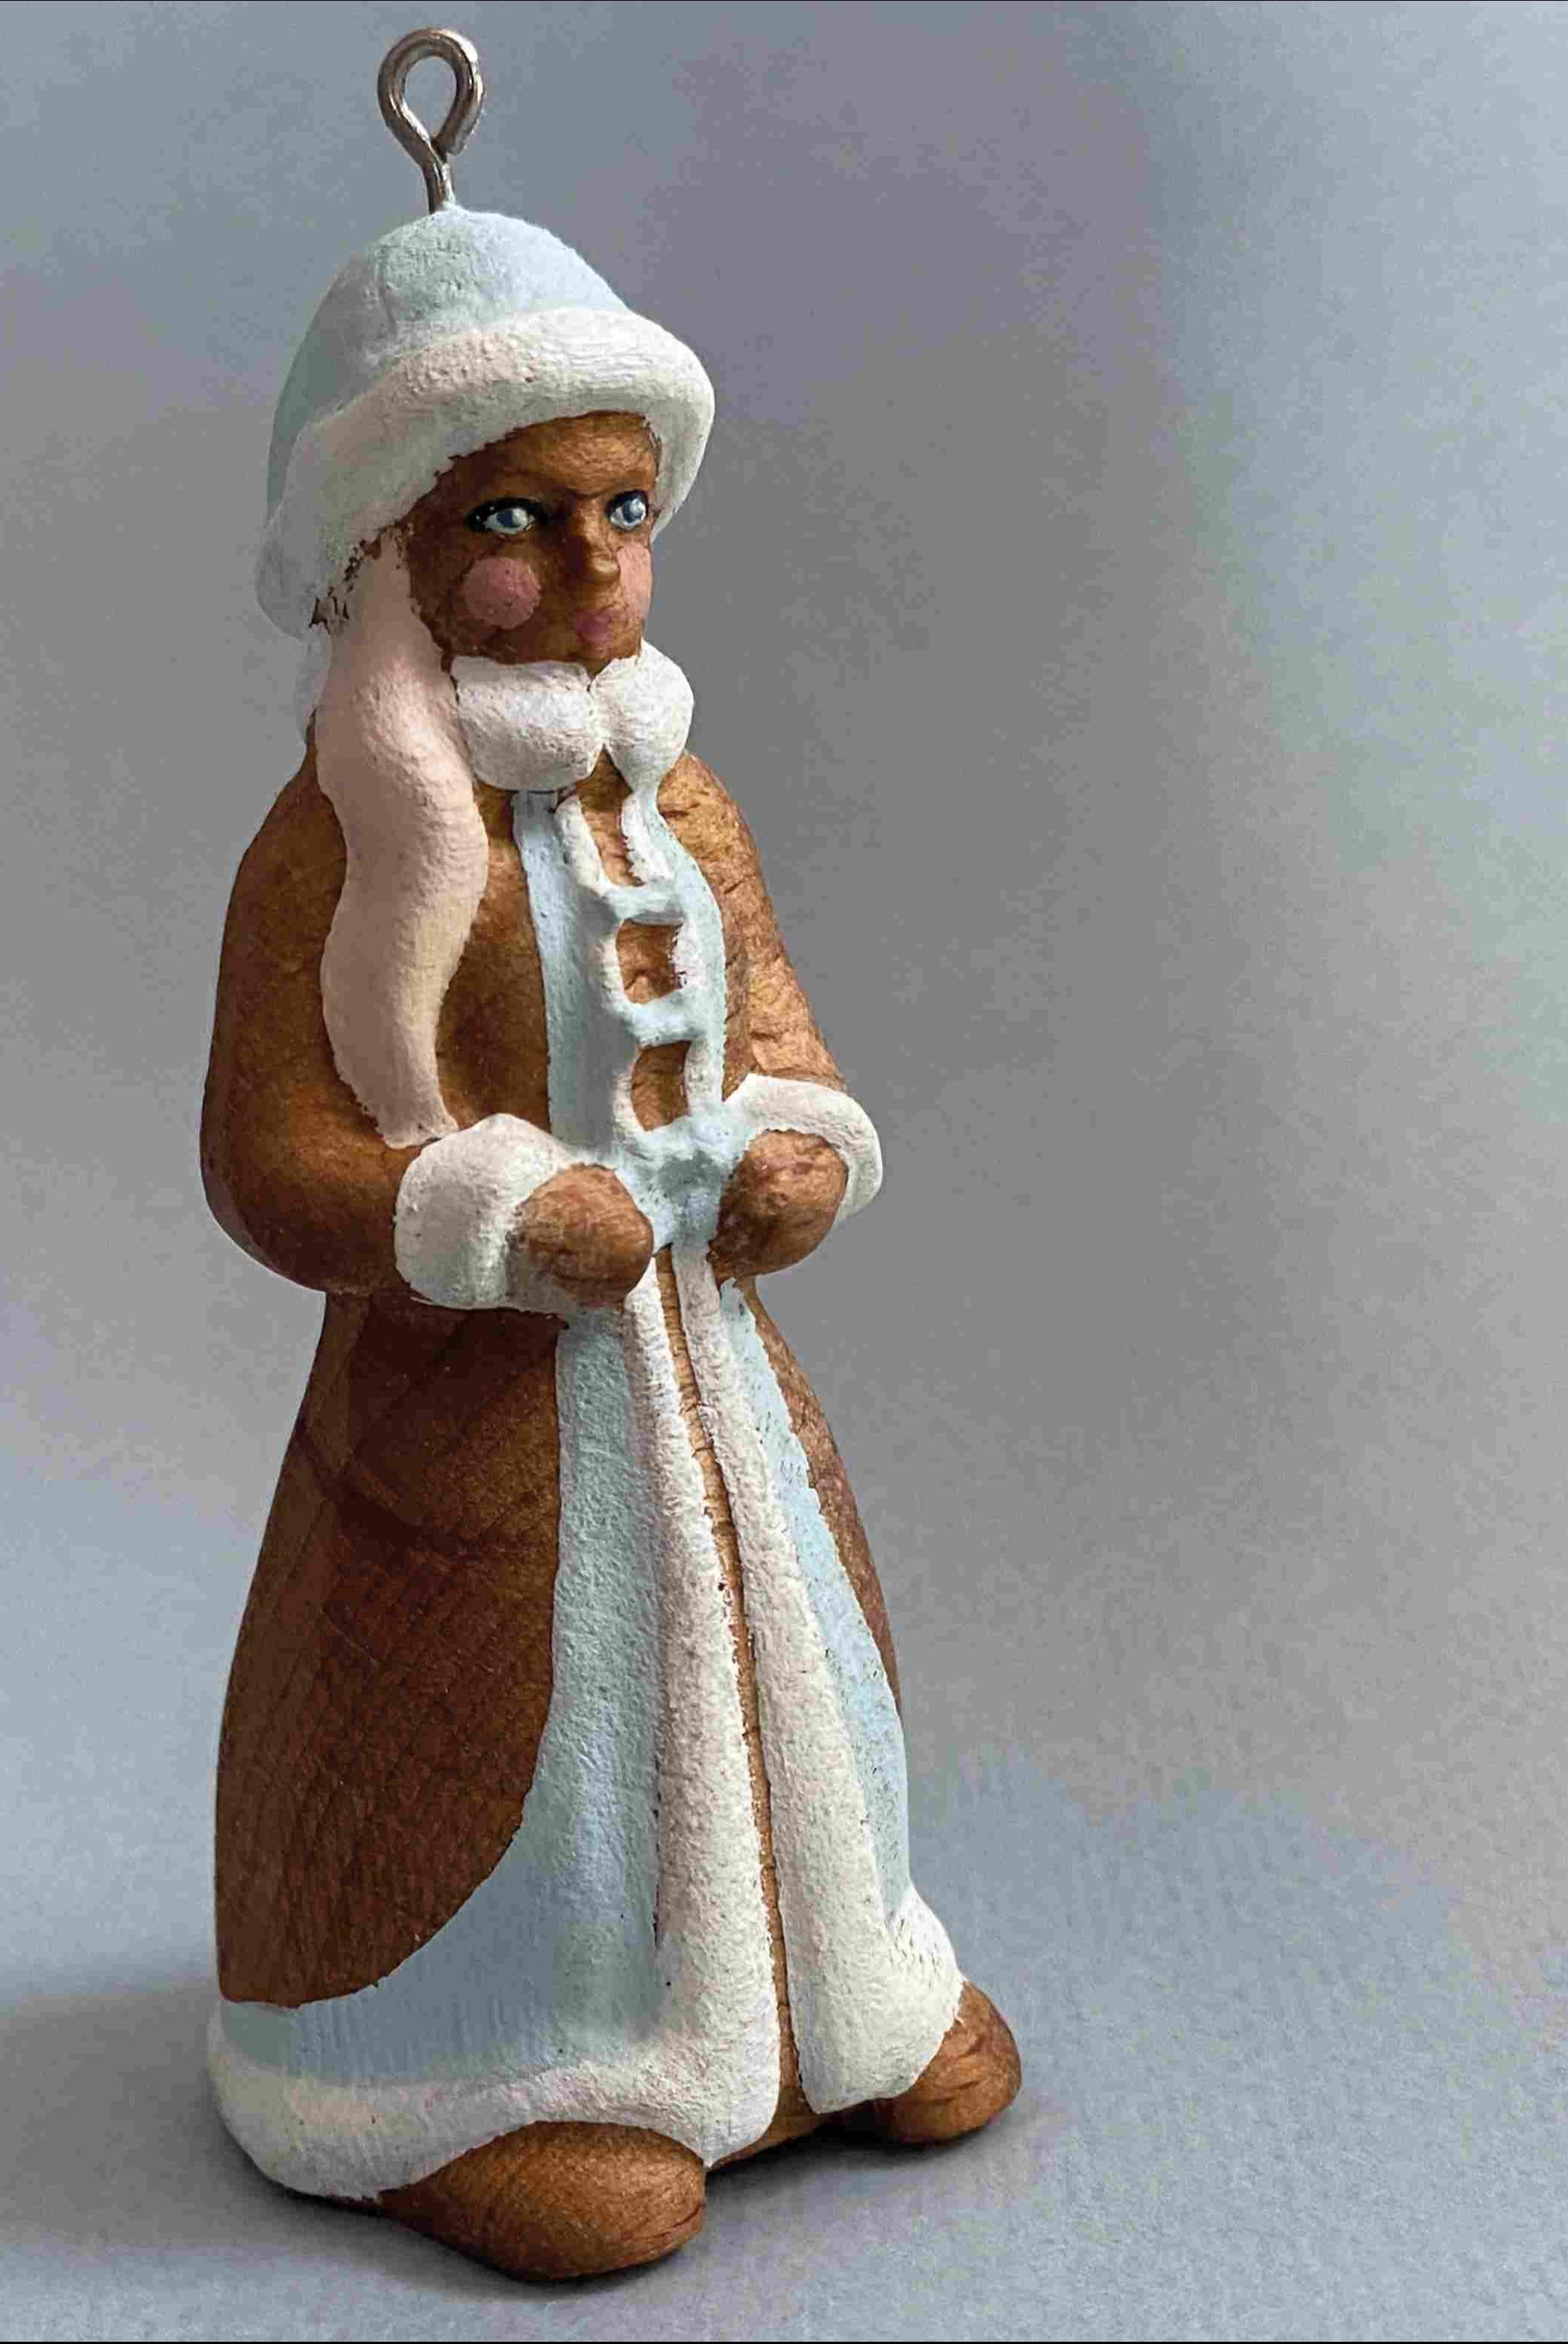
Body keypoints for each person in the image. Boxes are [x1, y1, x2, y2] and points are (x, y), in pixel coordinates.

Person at [201, 201, 1019, 2283]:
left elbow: (775, 1036)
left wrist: (797, 1149)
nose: (585, 568)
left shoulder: (682, 806)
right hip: (473, 1413)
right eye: (515, 520)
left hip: (709, 1384)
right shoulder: (342, 842)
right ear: (393, 548)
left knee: (795, 1677)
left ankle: (829, 2017)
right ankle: (481, 2084)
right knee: (506, 1728)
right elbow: (270, 1158)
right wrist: (479, 1212)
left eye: (622, 513)